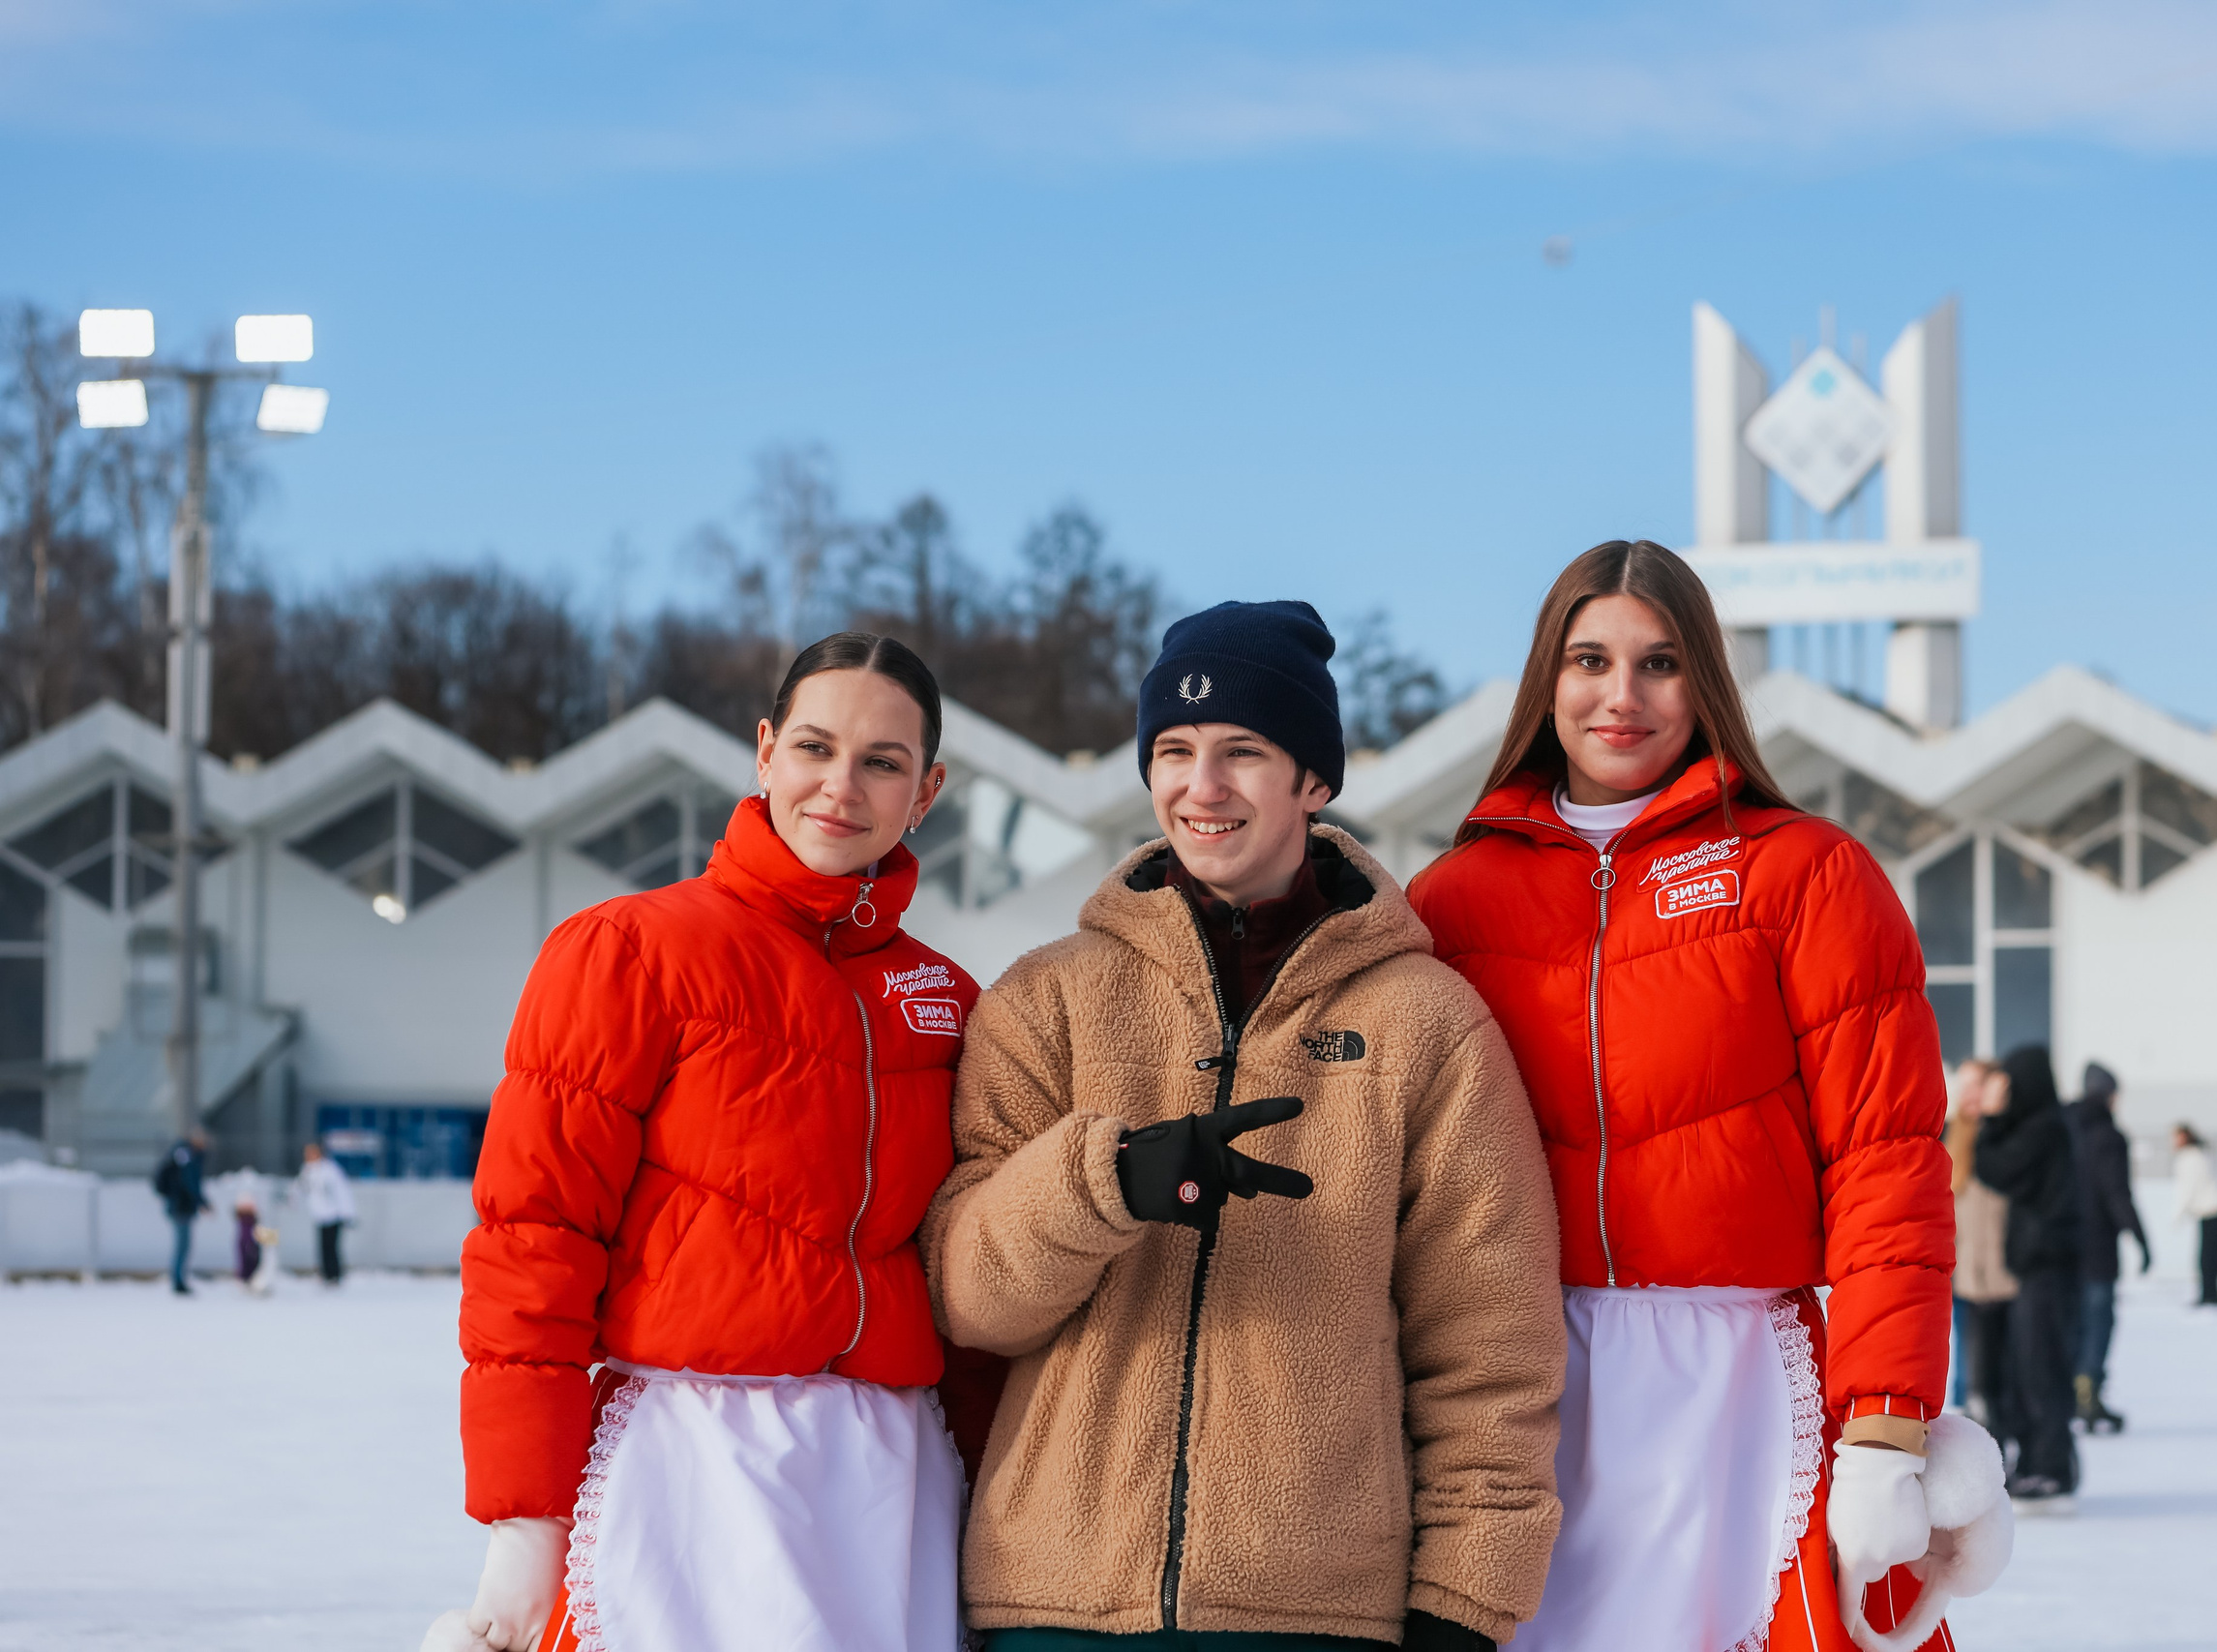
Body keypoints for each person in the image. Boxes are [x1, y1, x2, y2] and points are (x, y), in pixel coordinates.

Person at [926, 599, 1567, 1652]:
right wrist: (1101, 1187)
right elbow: (967, 1298)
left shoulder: (1425, 1022)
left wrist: (1465, 1601)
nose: (1202, 785)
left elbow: (1490, 1344)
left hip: (1315, 1610)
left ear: (1314, 780)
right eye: (1174, 751)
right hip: (1056, 1600)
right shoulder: (1047, 998)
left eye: (1243, 752)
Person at [1407, 541, 2010, 1652]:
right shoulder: (1449, 901)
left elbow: (1886, 1161)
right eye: (1589, 660)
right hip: (1520, 1394)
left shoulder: (1804, 873)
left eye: (1660, 663)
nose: (1621, 696)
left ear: (1706, 684)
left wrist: (1885, 1425)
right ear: (1546, 679)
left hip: (1737, 1392)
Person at [424, 633, 978, 1652]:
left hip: (888, 1477)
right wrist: (525, 1515)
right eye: (814, 747)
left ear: (926, 791)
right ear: (765, 751)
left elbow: (968, 1268)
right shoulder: (629, 951)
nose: (840, 786)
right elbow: (535, 1234)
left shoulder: (945, 998)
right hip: (692, 1464)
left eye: (882, 761)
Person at [1971, 1047, 2083, 1512]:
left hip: (2047, 1267)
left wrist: (1990, 1118)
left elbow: (1994, 1167)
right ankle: (2042, 1462)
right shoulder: (2047, 1126)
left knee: (2040, 1371)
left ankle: (2051, 1468)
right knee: (2030, 1370)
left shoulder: (2044, 1130)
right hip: (2040, 1267)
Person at [2064, 1063, 2148, 1432]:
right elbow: (2117, 1193)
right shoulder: (2109, 1137)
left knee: (2072, 1323)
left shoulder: (2062, 1126)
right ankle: (2089, 1396)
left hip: (2062, 1246)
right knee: (2098, 1323)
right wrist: (2141, 1238)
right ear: (2110, 1095)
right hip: (2098, 1249)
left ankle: (2071, 1395)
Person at [1947, 1061, 2018, 1450]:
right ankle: (1970, 1429)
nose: (1969, 1093)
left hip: (2001, 1273)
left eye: (1977, 1084)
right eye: (1965, 1085)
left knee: (1994, 1365)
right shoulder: (1950, 1135)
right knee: (1965, 1359)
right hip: (1959, 1268)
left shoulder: (2004, 1136)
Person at [2171, 1124, 2217, 1307]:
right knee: (2212, 1257)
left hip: (2212, 1209)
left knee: (2207, 1258)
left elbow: (2187, 1188)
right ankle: (2211, 1295)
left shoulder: (2189, 1158)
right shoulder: (2203, 1153)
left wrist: (2177, 1215)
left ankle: (2209, 1297)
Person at [152, 1127, 211, 1295]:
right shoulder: (186, 1154)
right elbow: (190, 1181)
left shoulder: (186, 1153)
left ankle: (178, 1279)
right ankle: (177, 1280)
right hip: (180, 1206)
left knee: (183, 1245)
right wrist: (201, 1202)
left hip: (181, 1206)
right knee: (182, 1245)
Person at [296, 1141, 357, 1286]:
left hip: (334, 1215)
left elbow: (342, 1192)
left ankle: (334, 1275)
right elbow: (300, 1189)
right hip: (319, 1215)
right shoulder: (307, 1170)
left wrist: (348, 1213)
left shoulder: (330, 1170)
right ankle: (325, 1274)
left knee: (332, 1246)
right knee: (322, 1246)